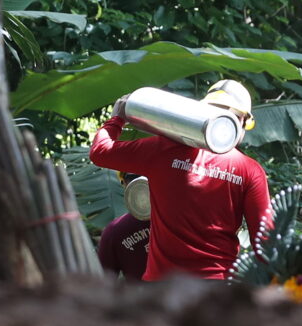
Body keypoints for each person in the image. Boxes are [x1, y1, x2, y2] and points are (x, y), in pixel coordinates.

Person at [88, 79, 270, 280]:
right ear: (243, 121)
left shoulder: (162, 150)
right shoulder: (249, 170)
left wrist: (117, 119)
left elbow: (100, 152)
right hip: (216, 290)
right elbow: (265, 242)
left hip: (162, 288)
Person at [96, 176, 152, 280]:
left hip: (143, 295)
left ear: (125, 185)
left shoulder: (114, 231)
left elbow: (103, 284)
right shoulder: (181, 216)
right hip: (185, 292)